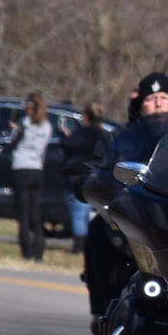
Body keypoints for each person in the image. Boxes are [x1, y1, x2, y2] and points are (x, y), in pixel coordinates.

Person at [82, 72, 168, 335]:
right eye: (151, 99)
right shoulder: (122, 138)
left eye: (164, 98)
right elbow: (99, 169)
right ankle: (102, 310)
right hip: (135, 218)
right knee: (98, 230)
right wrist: (86, 179)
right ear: (140, 104)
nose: (158, 103)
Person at [5, 92, 53, 261]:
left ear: (30, 107)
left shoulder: (24, 124)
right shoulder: (46, 126)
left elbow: (12, 145)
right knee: (35, 213)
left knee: (23, 213)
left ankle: (26, 251)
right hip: (37, 169)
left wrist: (13, 129)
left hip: (21, 168)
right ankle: (39, 250)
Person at [59, 101, 108, 253]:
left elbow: (69, 146)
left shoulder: (83, 133)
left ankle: (79, 245)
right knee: (85, 213)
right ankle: (86, 242)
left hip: (78, 178)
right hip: (95, 178)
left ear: (86, 116)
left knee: (78, 214)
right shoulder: (103, 134)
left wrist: (63, 135)